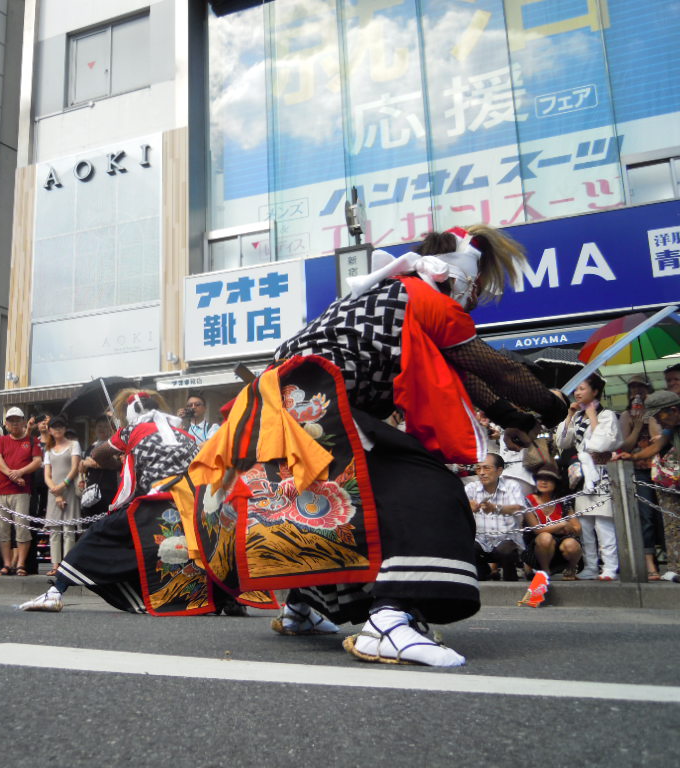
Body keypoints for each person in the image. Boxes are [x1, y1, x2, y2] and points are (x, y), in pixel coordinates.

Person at [185, 226, 569, 666]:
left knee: (345, 508)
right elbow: (496, 370)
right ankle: (389, 621)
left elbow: (469, 380)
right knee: (428, 489)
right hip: (314, 405)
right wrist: (550, 404)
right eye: (477, 290)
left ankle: (302, 607)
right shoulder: (424, 298)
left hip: (282, 407)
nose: (476, 301)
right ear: (458, 279)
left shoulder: (385, 297)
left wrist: (516, 419)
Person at [18, 390, 199, 613]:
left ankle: (56, 591)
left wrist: (120, 459)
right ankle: (225, 598)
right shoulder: (184, 433)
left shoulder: (132, 430)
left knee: (95, 537)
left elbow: (98, 453)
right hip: (189, 506)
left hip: (153, 503)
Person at [554, 373, 621, 580]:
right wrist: (569, 415)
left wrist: (592, 415)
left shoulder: (606, 414)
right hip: (582, 475)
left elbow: (601, 444)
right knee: (585, 525)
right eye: (577, 389)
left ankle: (610, 566)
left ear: (595, 391)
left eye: (582, 388)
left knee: (603, 523)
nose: (578, 392)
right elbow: (562, 443)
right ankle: (591, 566)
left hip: (600, 473)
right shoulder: (577, 416)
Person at [619, 390, 680, 582]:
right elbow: (656, 446)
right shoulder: (671, 429)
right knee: (672, 525)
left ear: (673, 410)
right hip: (673, 484)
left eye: (658, 416)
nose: (657, 422)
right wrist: (634, 456)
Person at [616, 375, 664, 580]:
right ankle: (649, 562)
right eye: (633, 388)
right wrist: (636, 426)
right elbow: (624, 445)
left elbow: (660, 439)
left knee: (663, 515)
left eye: (641, 388)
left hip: (660, 468)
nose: (637, 393)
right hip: (638, 469)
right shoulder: (626, 415)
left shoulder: (659, 412)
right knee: (645, 516)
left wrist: (649, 414)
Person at [0, 407, 42, 576]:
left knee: (22, 527)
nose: (14, 423)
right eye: (11, 420)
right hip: (3, 491)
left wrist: (20, 472)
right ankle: (7, 564)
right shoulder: (2, 440)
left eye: (17, 420)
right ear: (6, 424)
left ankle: (20, 564)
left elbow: (37, 462)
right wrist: (12, 475)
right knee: (3, 529)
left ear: (23, 421)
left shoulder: (32, 440)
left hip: (22, 491)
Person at [466, 453, 526, 581]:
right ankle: (483, 573)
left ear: (499, 471)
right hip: (480, 540)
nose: (481, 473)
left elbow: (518, 508)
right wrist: (467, 507)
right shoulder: (471, 488)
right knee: (467, 547)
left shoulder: (512, 486)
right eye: (478, 468)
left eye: (486, 468)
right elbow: (456, 509)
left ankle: (511, 581)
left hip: (506, 538)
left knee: (505, 550)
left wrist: (496, 508)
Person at [521, 466, 582, 579]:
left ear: (556, 483)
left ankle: (571, 568)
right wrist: (562, 525)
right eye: (540, 479)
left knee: (571, 544)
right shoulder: (528, 501)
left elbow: (577, 528)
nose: (543, 482)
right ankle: (545, 571)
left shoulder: (563, 501)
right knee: (545, 537)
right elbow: (537, 530)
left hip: (561, 545)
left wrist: (569, 528)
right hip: (537, 548)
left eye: (548, 479)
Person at [43, 415, 82, 576]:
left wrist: (63, 485)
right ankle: (55, 565)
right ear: (50, 430)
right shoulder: (48, 450)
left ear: (65, 428)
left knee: (68, 530)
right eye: (54, 426)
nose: (57, 429)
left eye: (60, 426)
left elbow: (74, 468)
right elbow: (47, 475)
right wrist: (56, 490)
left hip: (69, 490)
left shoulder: (74, 444)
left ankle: (68, 565)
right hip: (53, 492)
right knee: (54, 531)